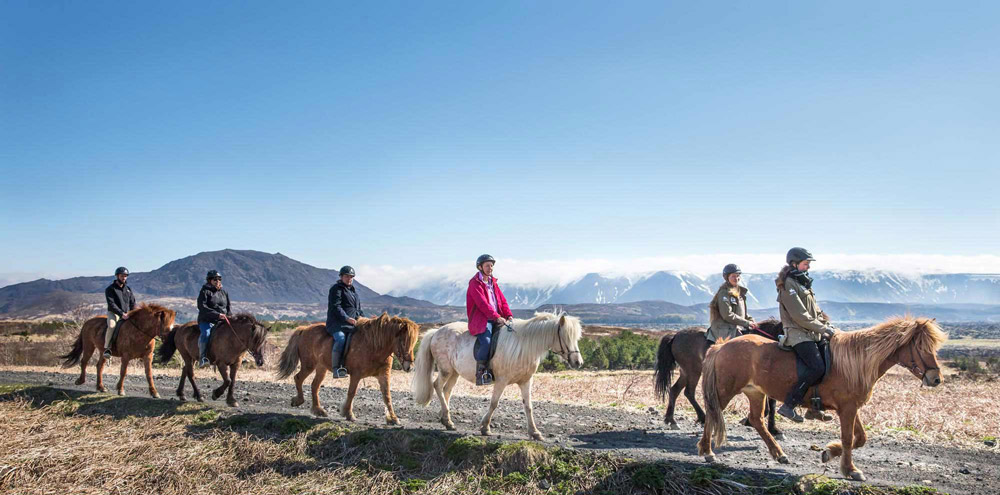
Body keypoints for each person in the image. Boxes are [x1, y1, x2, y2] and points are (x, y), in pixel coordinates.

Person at [775, 247, 839, 422]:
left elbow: (815, 311)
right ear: (794, 264)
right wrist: (823, 329)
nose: (808, 267)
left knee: (828, 364)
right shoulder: (789, 284)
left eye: (808, 264)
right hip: (798, 334)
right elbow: (799, 316)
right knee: (816, 367)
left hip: (811, 333)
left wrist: (825, 324)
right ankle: (789, 405)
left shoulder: (803, 283)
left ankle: (814, 407)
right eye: (806, 264)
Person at [466, 254, 514, 386]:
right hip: (482, 320)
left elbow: (502, 301)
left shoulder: (493, 283)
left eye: (491, 265)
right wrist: (497, 317)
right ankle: (482, 373)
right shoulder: (474, 283)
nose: (490, 268)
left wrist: (508, 315)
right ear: (480, 267)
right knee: (486, 342)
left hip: (496, 318)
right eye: (487, 265)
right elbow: (482, 304)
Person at [327, 265, 364, 378]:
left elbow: (357, 309)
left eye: (351, 277)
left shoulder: (353, 292)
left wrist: (364, 319)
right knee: (341, 339)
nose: (349, 279)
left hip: (351, 324)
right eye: (347, 276)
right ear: (341, 277)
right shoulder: (336, 289)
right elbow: (336, 306)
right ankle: (336, 369)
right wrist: (347, 318)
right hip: (337, 324)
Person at [706, 263, 757, 343]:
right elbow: (727, 315)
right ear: (727, 277)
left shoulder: (740, 292)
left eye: (737, 276)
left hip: (736, 326)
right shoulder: (724, 293)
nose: (736, 278)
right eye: (733, 276)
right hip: (726, 330)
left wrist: (751, 320)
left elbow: (742, 313)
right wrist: (746, 323)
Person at [197, 270, 232, 367]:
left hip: (222, 320)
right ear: (209, 280)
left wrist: (229, 316)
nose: (217, 281)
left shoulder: (224, 292)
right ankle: (203, 358)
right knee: (206, 334)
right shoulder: (204, 291)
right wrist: (217, 315)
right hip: (207, 320)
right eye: (215, 279)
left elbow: (228, 306)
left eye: (219, 279)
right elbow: (202, 307)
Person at [103, 266, 136, 358]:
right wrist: (122, 314)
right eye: (122, 276)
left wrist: (133, 313)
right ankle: (107, 348)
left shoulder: (128, 289)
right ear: (117, 276)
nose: (124, 278)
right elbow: (111, 304)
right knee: (112, 326)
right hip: (114, 313)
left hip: (126, 314)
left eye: (125, 276)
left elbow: (133, 302)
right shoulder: (110, 289)